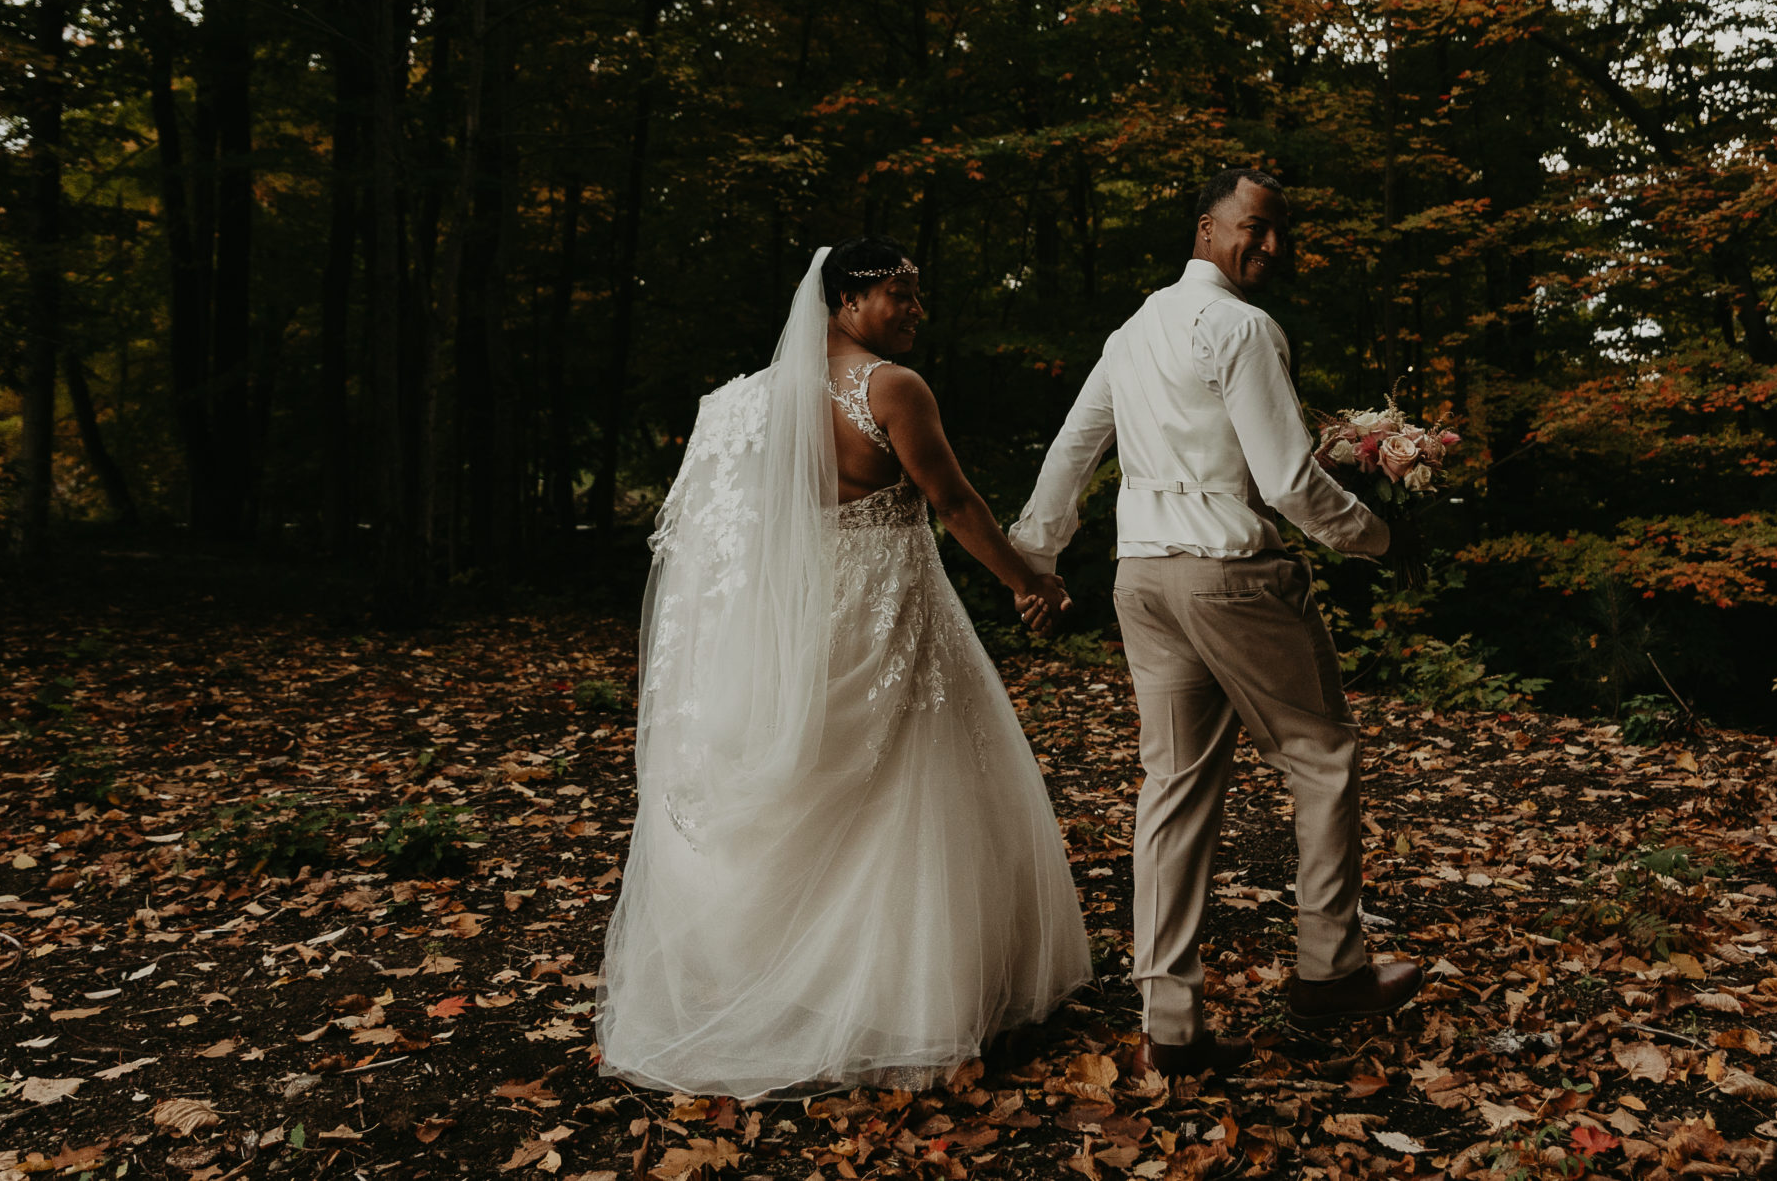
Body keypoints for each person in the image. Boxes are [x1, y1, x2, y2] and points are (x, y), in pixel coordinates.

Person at [595, 240, 1090, 1098]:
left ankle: (802, 979)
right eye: (901, 295)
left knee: (819, 788)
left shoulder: (742, 401)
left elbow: (718, 533)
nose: (915, 312)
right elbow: (955, 502)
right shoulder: (892, 389)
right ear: (846, 299)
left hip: (798, 621)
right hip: (892, 610)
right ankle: (913, 999)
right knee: (909, 788)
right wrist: (1028, 584)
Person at [1008, 168, 1423, 1078]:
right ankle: (1330, 966)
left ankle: (1170, 1016)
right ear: (1207, 227)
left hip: (1142, 580)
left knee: (1174, 784)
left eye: (1281, 232)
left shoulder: (1130, 332)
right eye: (1255, 227)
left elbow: (1074, 448)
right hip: (1233, 576)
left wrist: (1035, 553)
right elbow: (1283, 483)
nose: (1271, 246)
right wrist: (1378, 534)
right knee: (1320, 755)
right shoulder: (1242, 327)